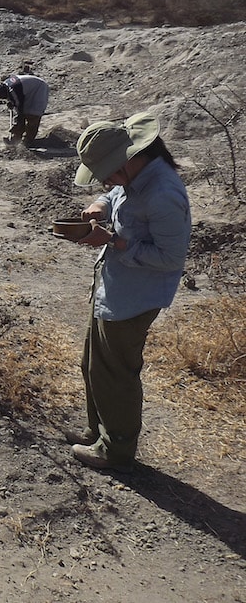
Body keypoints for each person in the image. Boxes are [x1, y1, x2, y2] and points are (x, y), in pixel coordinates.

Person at [67, 111, 191, 472]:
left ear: (129, 158)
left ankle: (116, 450)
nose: (105, 181)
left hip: (134, 297)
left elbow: (170, 258)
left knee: (116, 373)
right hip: (115, 287)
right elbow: (119, 191)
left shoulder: (163, 193)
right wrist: (100, 205)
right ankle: (98, 431)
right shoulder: (137, 175)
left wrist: (115, 242)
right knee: (93, 364)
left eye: (106, 173)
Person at [0, 73, 50, 145]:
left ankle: (27, 141)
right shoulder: (6, 84)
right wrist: (12, 102)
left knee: (33, 115)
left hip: (39, 88)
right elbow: (17, 100)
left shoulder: (13, 90)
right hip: (28, 90)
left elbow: (20, 108)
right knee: (21, 116)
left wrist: (18, 121)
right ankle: (16, 138)